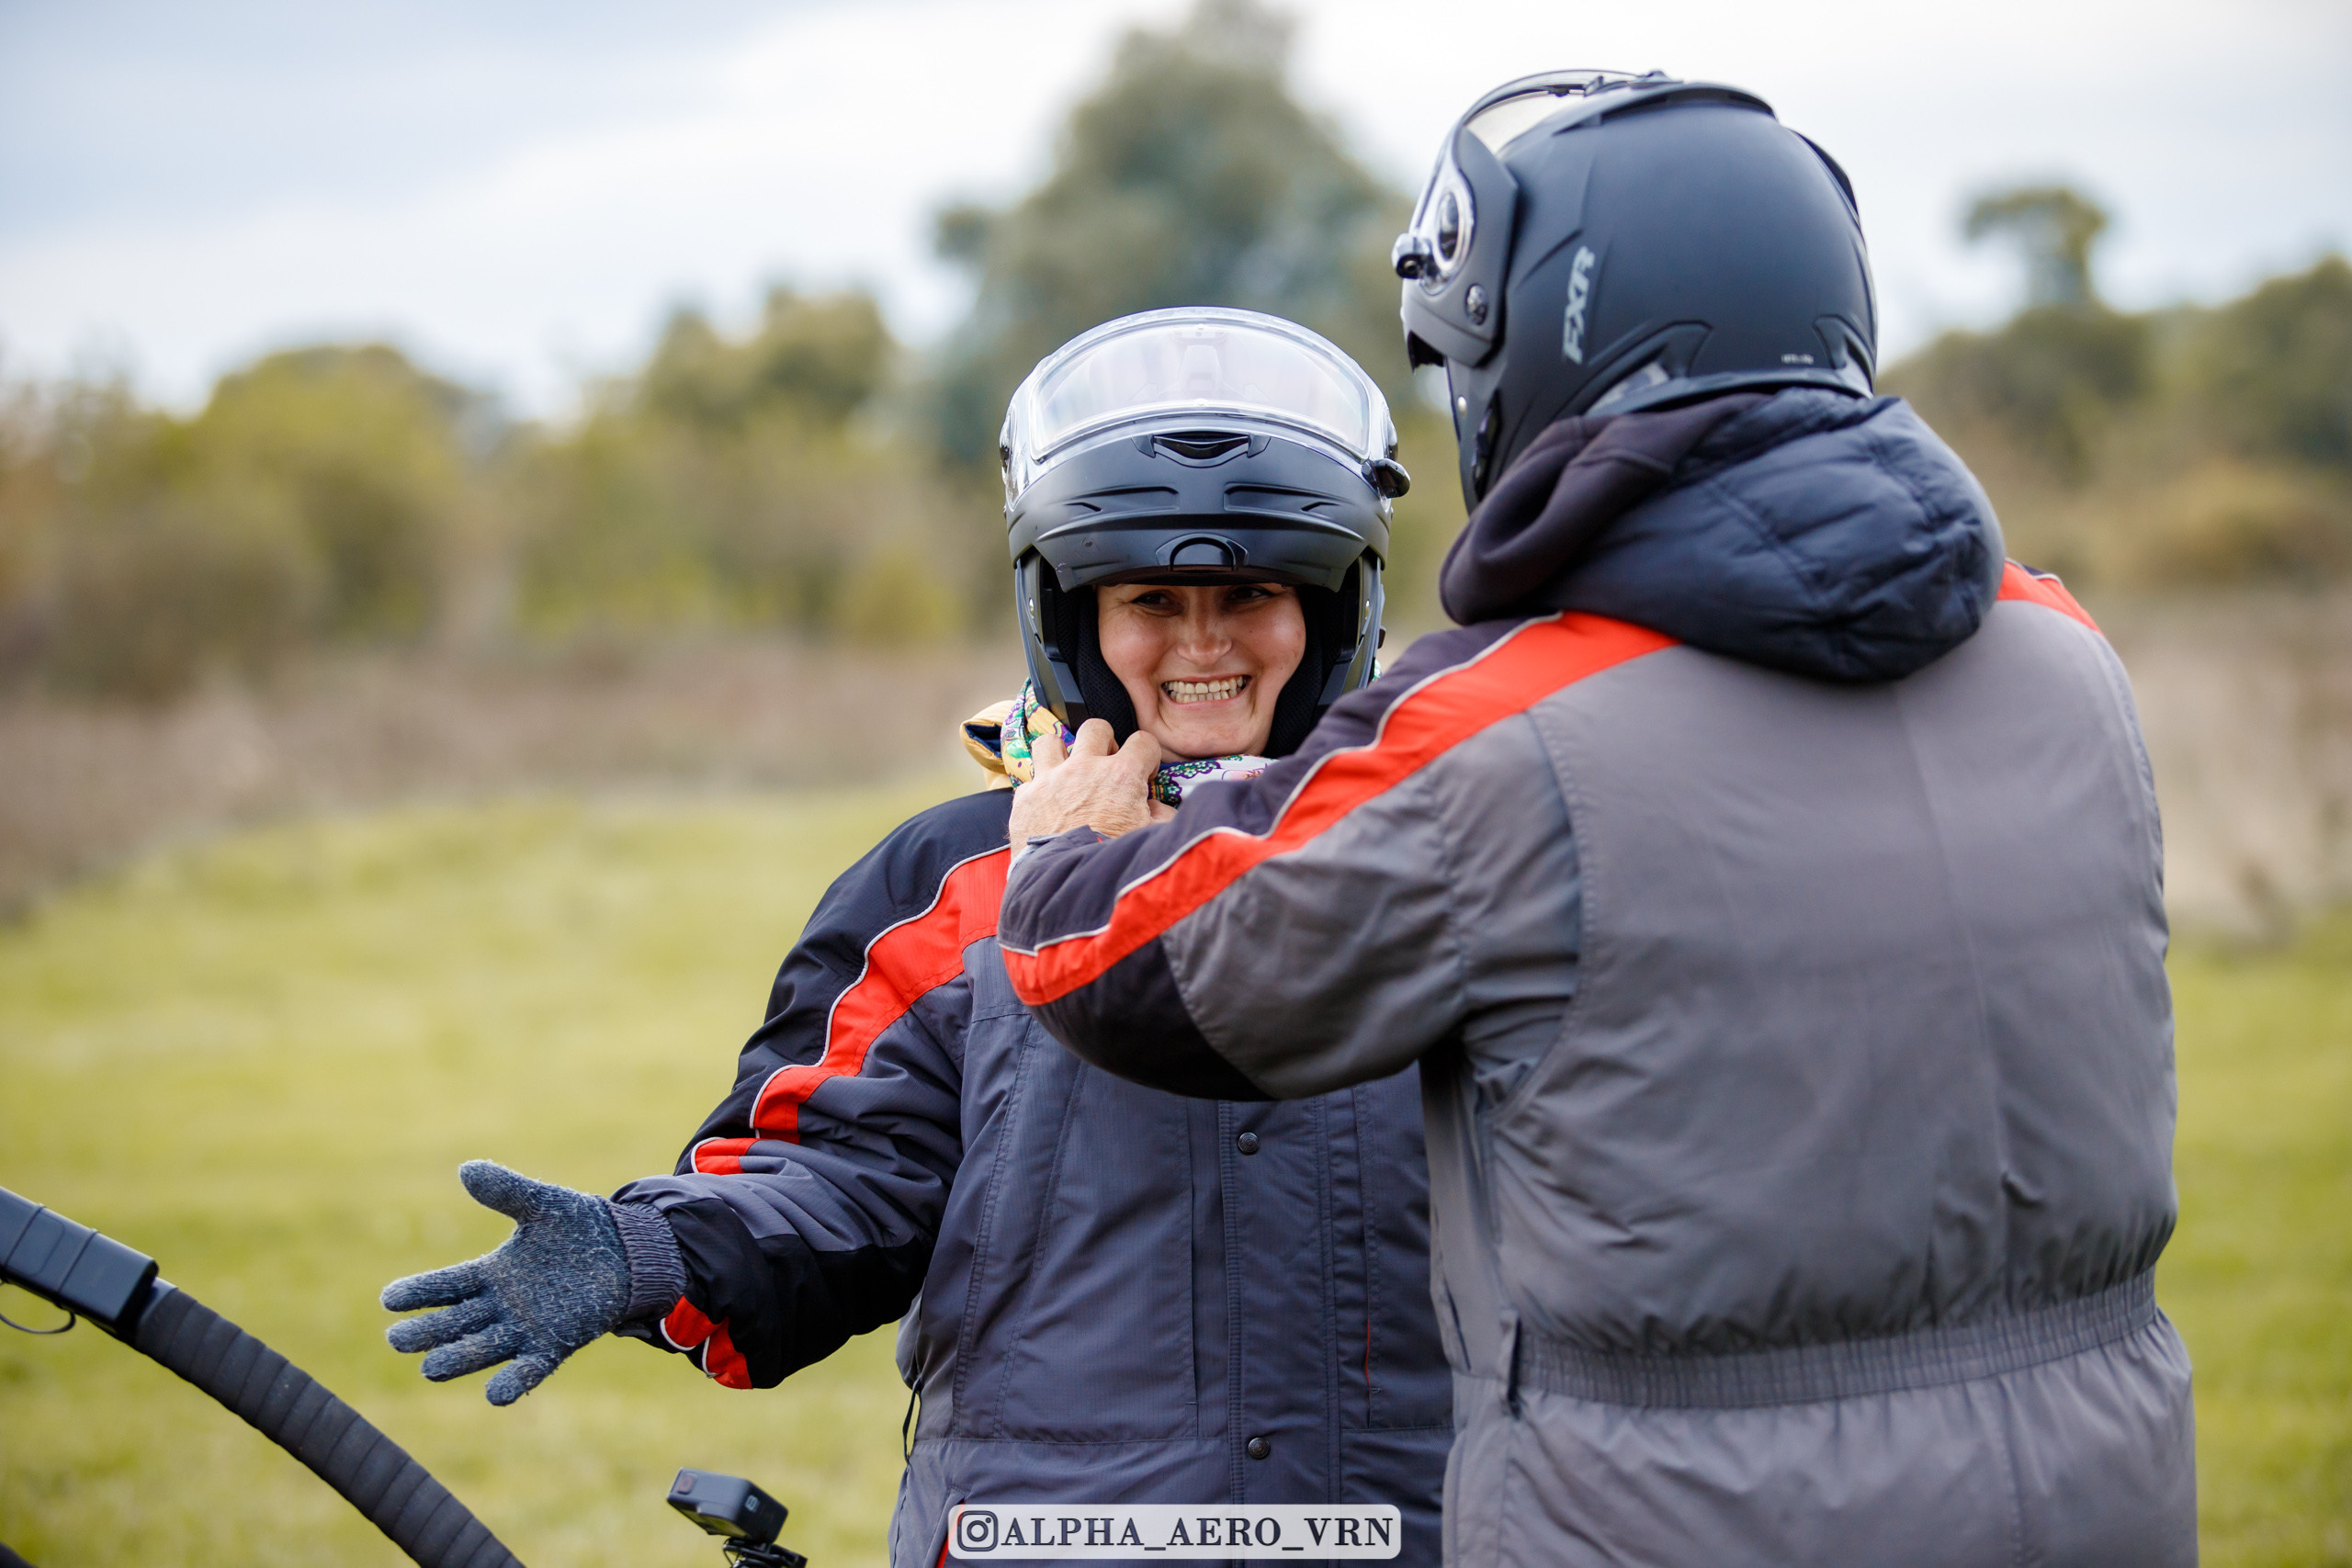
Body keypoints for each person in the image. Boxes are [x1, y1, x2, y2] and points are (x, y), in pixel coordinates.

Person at [998, 73, 2195, 1566]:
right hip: (2100, 1492)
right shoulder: (2071, 659)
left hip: (1689, 1520)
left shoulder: (1502, 728)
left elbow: (1137, 969)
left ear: (1539, 362)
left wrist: (1060, 847)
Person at [379, 308, 1451, 1567]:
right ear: (1071, 617)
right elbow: (842, 1175)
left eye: (1252, 594)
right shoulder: (945, 880)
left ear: (1332, 608)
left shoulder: (1439, 852)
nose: (1204, 643)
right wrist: (653, 1249)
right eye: (1152, 598)